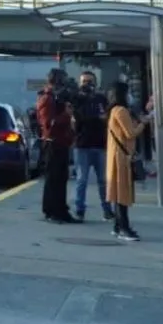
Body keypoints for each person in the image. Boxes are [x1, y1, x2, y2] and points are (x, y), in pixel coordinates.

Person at [106, 81, 150, 242]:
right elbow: (130, 133)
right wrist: (143, 124)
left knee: (118, 193)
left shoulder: (114, 110)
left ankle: (119, 226)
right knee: (122, 193)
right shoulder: (121, 111)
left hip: (116, 155)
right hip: (121, 158)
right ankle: (123, 227)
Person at [37, 68, 80, 224]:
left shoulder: (56, 98)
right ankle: (51, 210)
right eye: (62, 79)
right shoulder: (47, 98)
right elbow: (49, 124)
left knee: (61, 178)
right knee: (53, 178)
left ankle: (61, 210)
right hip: (52, 143)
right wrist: (65, 115)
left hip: (61, 142)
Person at [72, 71, 113, 221]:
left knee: (103, 180)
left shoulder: (101, 99)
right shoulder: (77, 99)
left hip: (100, 144)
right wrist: (96, 118)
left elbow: (107, 118)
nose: (87, 84)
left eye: (90, 81)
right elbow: (78, 119)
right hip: (82, 144)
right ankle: (80, 210)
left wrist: (97, 119)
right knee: (81, 180)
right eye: (84, 81)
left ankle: (107, 209)